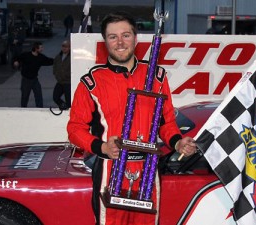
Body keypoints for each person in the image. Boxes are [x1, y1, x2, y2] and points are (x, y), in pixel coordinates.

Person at [67, 11, 196, 225]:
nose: (120, 42)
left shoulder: (156, 76)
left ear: (135, 39)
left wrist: (177, 141)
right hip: (110, 170)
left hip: (147, 171)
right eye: (112, 36)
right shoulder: (92, 81)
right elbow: (75, 129)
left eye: (126, 35)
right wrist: (102, 147)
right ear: (105, 42)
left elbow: (166, 123)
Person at [14, 42, 54, 108]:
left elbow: (49, 61)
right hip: (26, 80)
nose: (42, 49)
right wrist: (16, 62)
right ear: (36, 48)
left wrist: (59, 59)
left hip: (34, 80)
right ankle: (23, 110)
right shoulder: (26, 55)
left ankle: (40, 109)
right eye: (40, 48)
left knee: (38, 95)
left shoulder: (40, 57)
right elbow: (17, 58)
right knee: (25, 96)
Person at [52, 40, 71, 110]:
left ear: (69, 47)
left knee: (69, 100)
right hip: (60, 82)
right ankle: (64, 106)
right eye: (63, 46)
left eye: (66, 47)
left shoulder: (72, 57)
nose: (64, 48)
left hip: (68, 82)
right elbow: (55, 66)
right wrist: (55, 74)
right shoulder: (58, 56)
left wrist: (68, 76)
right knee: (55, 97)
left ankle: (68, 110)